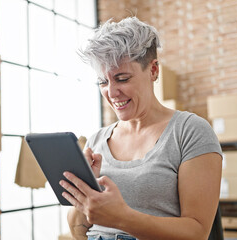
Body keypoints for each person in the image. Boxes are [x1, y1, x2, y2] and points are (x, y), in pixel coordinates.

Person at [59, 17, 223, 240]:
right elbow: (78, 229)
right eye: (103, 82)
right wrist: (85, 189)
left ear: (153, 70)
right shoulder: (96, 140)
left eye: (122, 78)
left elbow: (197, 233)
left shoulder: (190, 131)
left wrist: (121, 217)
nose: (112, 92)